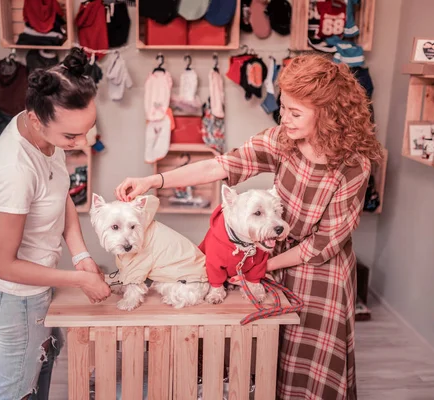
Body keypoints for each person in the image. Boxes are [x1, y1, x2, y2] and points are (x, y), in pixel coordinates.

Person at [115, 54, 383, 400]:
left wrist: (258, 266)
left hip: (321, 274)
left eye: (295, 113)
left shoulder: (353, 165)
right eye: (283, 108)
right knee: (261, 358)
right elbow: (220, 167)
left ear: (329, 114)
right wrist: (154, 179)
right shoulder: (283, 140)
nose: (284, 118)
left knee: (305, 364)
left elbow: (323, 244)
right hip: (268, 254)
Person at [0, 47, 111, 400]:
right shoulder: (15, 170)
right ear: (35, 118)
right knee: (18, 389)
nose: (82, 143)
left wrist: (80, 255)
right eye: (72, 137)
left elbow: (60, 192)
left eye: (87, 131)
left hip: (34, 282)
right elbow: (5, 265)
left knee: (43, 365)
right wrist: (80, 278)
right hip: (13, 293)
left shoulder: (49, 135)